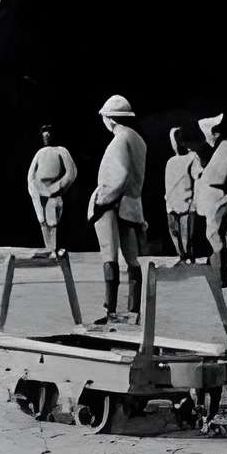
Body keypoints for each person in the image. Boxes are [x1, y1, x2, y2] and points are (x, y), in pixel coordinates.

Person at [89, 95, 147, 322]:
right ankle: (134, 310)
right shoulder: (138, 140)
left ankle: (110, 310)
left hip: (113, 204)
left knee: (109, 255)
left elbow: (119, 176)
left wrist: (100, 201)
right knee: (132, 259)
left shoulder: (119, 141)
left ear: (110, 119)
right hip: (132, 204)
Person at [195, 114, 227, 287]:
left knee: (214, 236)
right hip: (214, 198)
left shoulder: (226, 147)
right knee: (213, 236)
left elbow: (219, 176)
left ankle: (220, 277)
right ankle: (218, 275)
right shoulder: (222, 148)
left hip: (218, 198)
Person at [26, 125, 78, 254]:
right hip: (39, 191)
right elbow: (31, 174)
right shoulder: (40, 153)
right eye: (44, 136)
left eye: (48, 135)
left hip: (54, 192)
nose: (46, 138)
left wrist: (58, 187)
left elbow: (71, 173)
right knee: (42, 220)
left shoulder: (62, 151)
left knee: (53, 221)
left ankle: (54, 249)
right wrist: (33, 189)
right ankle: (49, 249)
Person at [164, 126, 203, 262]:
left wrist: (194, 201)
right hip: (171, 204)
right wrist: (168, 201)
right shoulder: (170, 161)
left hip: (187, 204)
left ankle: (189, 258)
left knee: (187, 235)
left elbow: (198, 178)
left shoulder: (193, 158)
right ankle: (181, 257)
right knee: (174, 233)